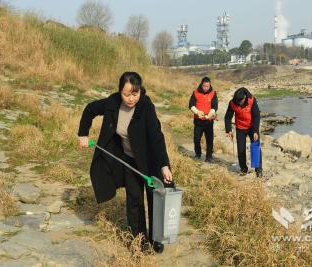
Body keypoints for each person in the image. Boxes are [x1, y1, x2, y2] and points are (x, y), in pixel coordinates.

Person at [78, 72, 173, 253]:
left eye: (135, 94)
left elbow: (156, 137)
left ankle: (157, 238)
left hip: (151, 160)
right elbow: (90, 109)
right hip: (129, 160)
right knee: (134, 200)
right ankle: (139, 241)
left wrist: (164, 165)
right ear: (120, 91)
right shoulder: (113, 102)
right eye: (126, 94)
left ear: (140, 92)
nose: (131, 99)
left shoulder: (146, 106)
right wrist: (83, 133)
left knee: (156, 199)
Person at [224, 87, 263, 177]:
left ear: (244, 97)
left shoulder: (251, 100)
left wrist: (256, 131)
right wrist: (228, 129)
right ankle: (243, 169)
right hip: (240, 128)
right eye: (238, 102)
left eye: (241, 101)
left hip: (252, 127)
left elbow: (256, 115)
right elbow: (228, 117)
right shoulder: (232, 103)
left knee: (255, 147)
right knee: (241, 149)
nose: (240, 103)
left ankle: (259, 170)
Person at [188, 77, 218, 162]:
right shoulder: (195, 92)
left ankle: (209, 156)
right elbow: (191, 105)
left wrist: (211, 113)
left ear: (210, 85)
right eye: (204, 86)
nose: (206, 88)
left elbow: (215, 106)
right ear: (201, 85)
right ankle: (198, 154)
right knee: (196, 139)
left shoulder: (213, 93)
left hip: (208, 121)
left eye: (207, 86)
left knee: (209, 139)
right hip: (198, 121)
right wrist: (197, 112)